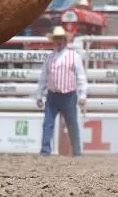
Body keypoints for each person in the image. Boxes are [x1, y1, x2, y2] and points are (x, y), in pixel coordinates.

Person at [35, 26, 86, 157]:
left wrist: (83, 95)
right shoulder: (49, 57)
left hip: (68, 95)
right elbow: (43, 77)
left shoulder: (74, 56)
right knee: (48, 123)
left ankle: (77, 151)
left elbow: (81, 77)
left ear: (65, 40)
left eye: (60, 39)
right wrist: (39, 95)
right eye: (56, 39)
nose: (58, 41)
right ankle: (45, 151)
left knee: (72, 124)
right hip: (52, 95)